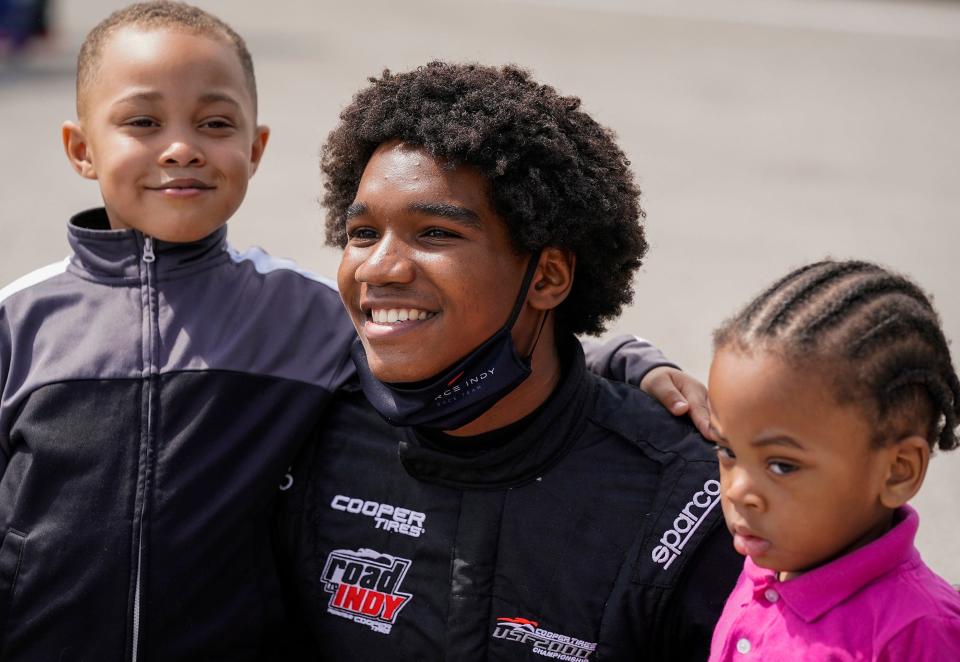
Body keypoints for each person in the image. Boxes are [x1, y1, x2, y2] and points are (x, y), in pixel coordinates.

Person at [0, 4, 703, 659]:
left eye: (214, 124)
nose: (181, 148)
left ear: (256, 146)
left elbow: (503, 340)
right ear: (80, 148)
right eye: (142, 123)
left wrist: (624, 362)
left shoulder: (298, 314)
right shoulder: (19, 317)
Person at [277, 61, 742, 661]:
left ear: (548, 275)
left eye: (435, 234)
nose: (378, 268)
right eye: (363, 233)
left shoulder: (692, 497)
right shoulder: (299, 428)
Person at [707, 260, 960, 660]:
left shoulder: (919, 632)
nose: (738, 491)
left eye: (782, 465)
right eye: (727, 451)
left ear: (898, 471)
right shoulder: (767, 566)